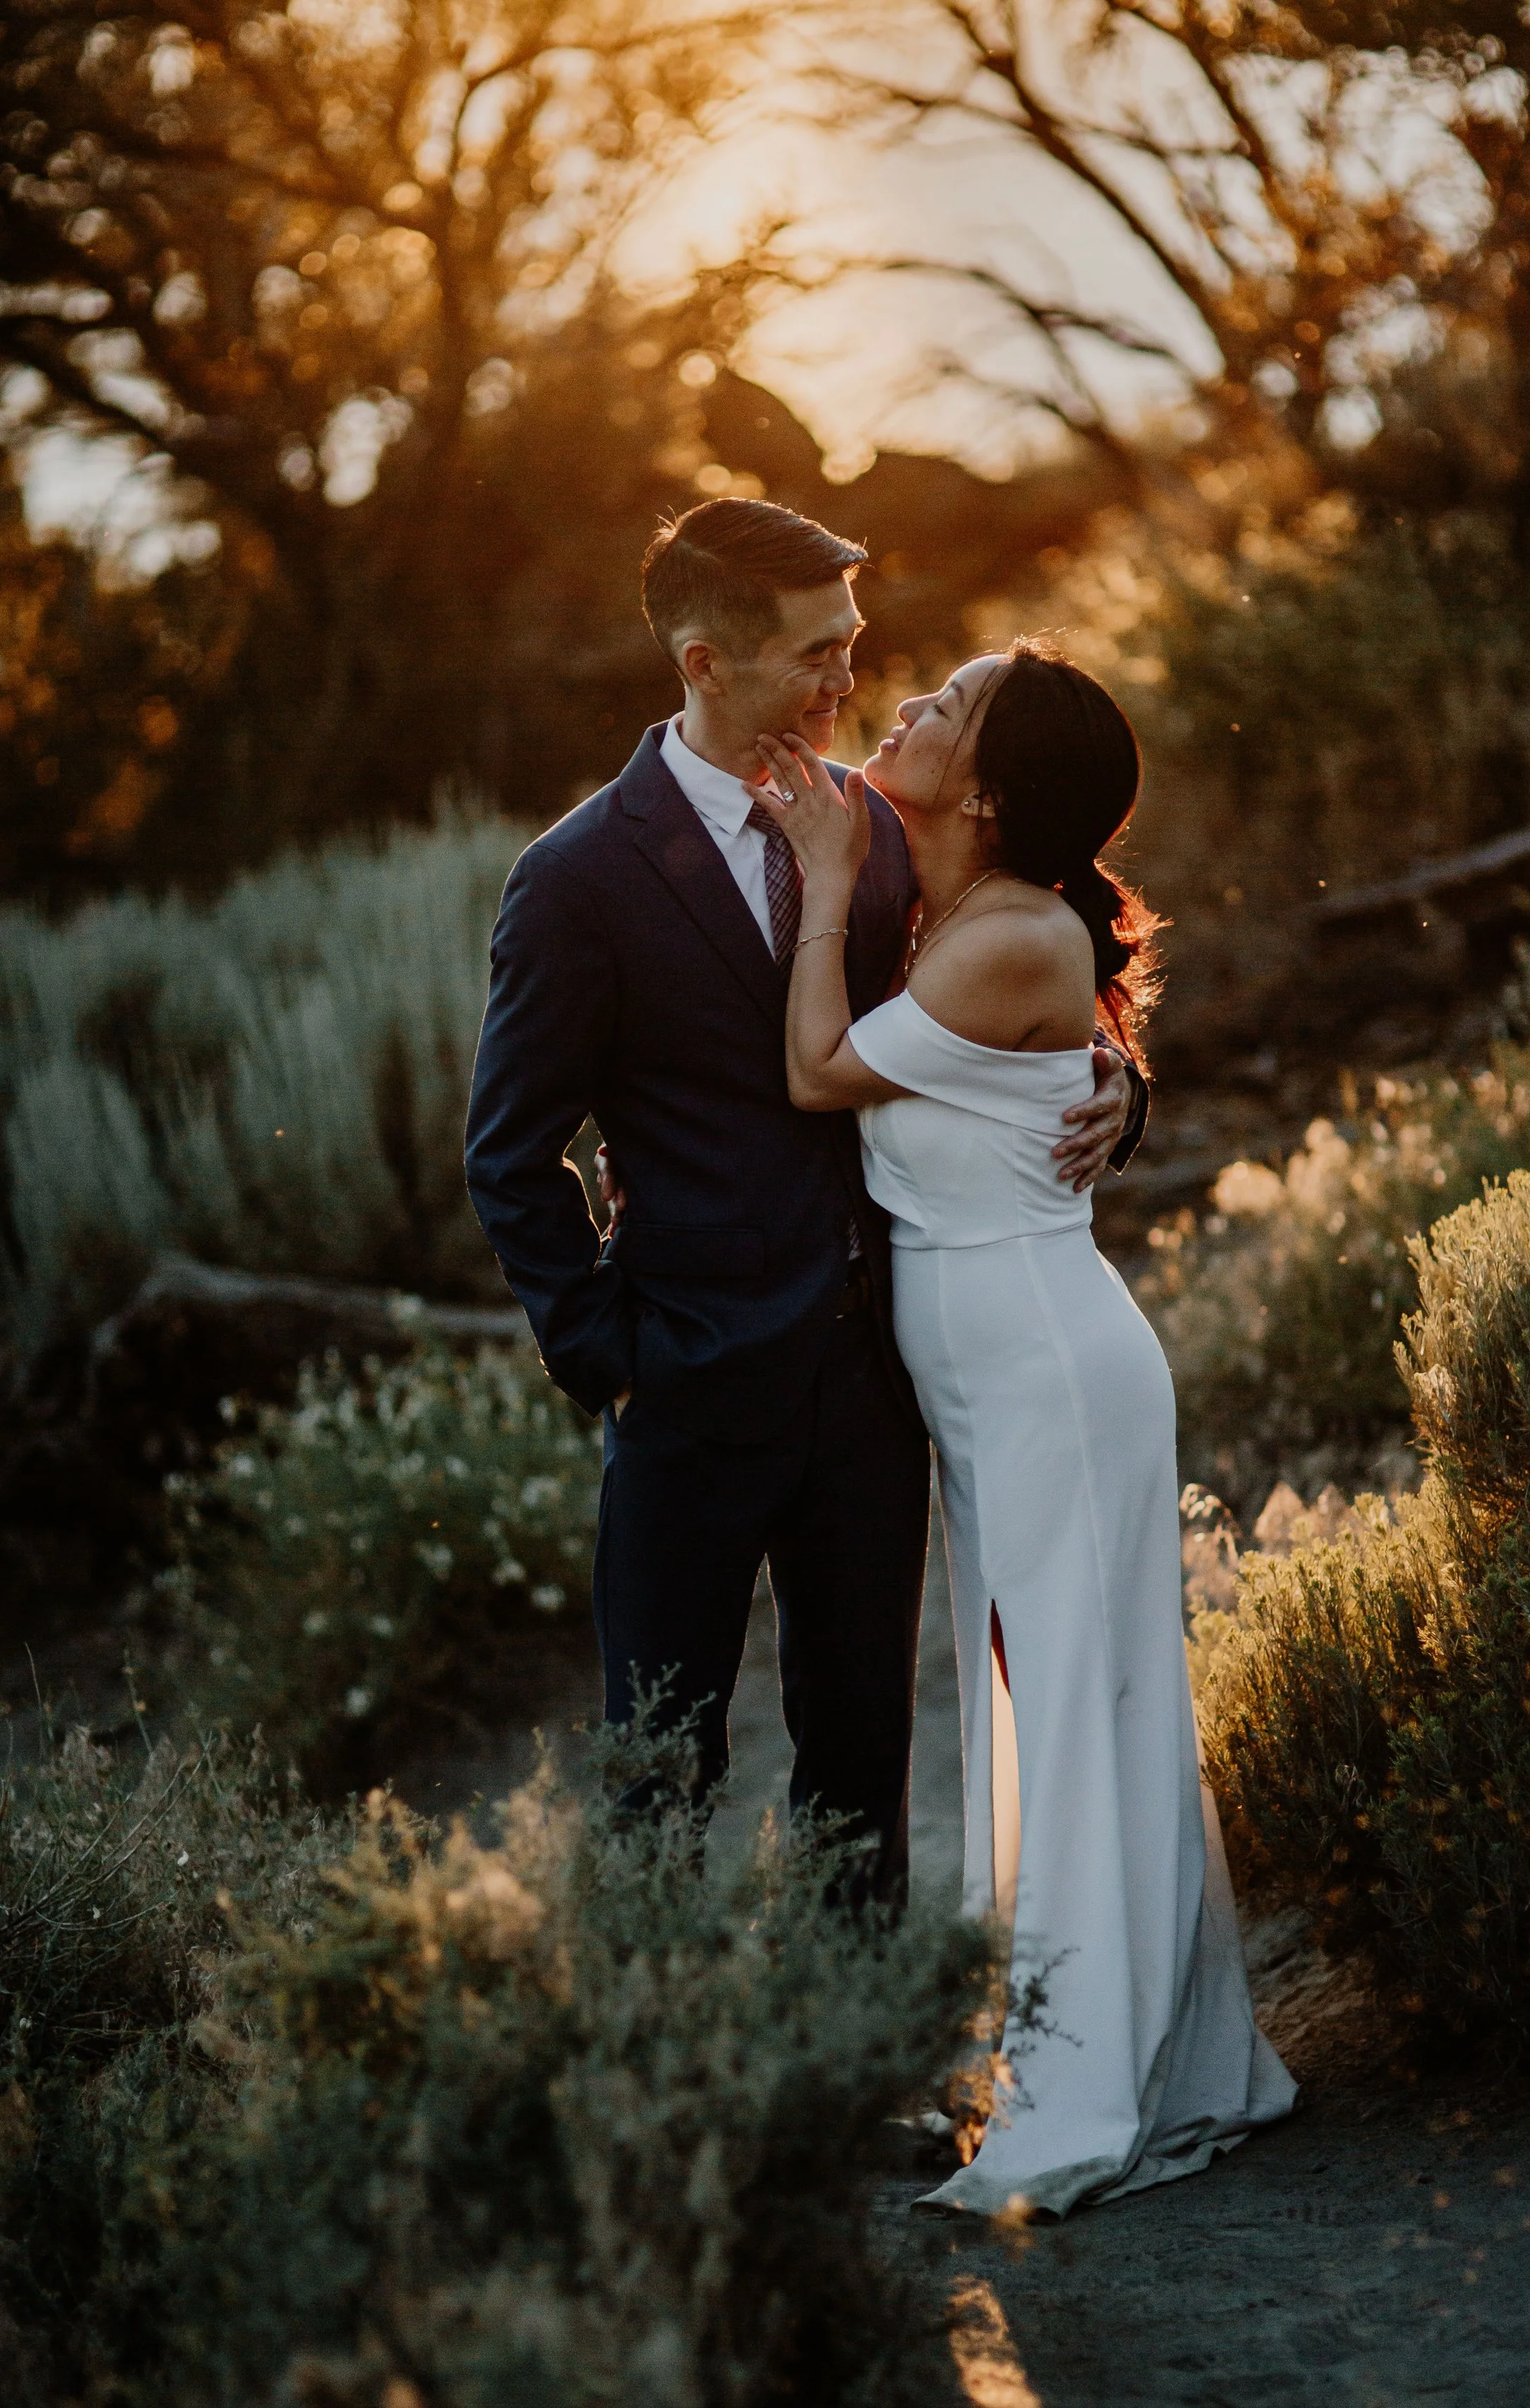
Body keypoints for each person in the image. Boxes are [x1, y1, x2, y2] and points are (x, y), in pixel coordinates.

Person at [464, 502, 1142, 1903]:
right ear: (705, 662)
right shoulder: (574, 879)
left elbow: (1014, 986)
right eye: (813, 654)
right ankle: (664, 2088)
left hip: (872, 1375)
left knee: (860, 1745)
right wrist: (610, 1363)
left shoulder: (877, 832)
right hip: (685, 1383)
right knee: (662, 1759)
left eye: (853, 643)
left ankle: (869, 2079)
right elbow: (508, 1153)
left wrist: (1118, 1083)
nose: (846, 683)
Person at [771, 638, 1296, 2215]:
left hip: (1049, 1378)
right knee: (1057, 1711)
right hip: (997, 1376)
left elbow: (814, 1071)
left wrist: (811, 880)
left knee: (1076, 1713)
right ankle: (1149, 2051)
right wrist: (1116, 1082)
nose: (908, 706)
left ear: (989, 790)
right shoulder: (967, 916)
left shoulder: (1003, 937)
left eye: (944, 706)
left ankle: (1093, 2080)